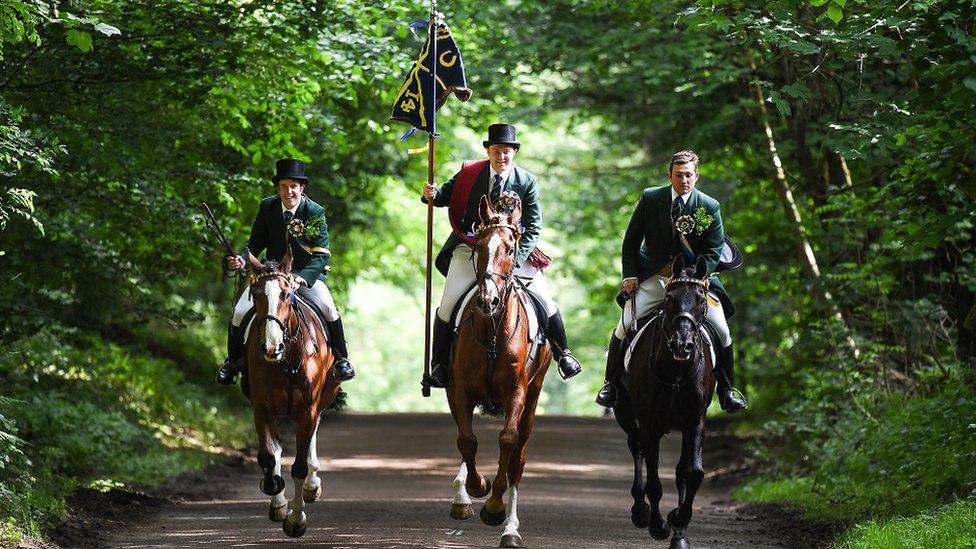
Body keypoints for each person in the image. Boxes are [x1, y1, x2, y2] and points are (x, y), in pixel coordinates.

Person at [421, 123, 582, 387]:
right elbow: (442, 197)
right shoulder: (469, 173)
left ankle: (563, 354)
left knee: (545, 300)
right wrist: (431, 194)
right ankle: (438, 365)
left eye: (507, 152)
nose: (502, 157)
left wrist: (514, 261)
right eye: (496, 151)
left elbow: (534, 226)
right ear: (488, 151)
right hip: (471, 246)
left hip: (511, 253)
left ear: (514, 153)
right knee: (449, 303)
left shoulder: (527, 182)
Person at [595, 150, 747, 413]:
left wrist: (700, 275)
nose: (684, 180)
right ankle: (610, 385)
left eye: (689, 175)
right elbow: (631, 240)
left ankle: (726, 390)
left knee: (722, 330)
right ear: (670, 176)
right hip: (656, 277)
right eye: (679, 175)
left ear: (696, 176)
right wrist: (630, 275)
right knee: (623, 327)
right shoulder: (650, 198)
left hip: (694, 284)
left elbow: (713, 251)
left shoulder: (710, 206)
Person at [215, 158, 355, 385]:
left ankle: (342, 359)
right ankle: (232, 363)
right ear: (278, 188)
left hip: (305, 275)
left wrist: (301, 279)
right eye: (283, 186)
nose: (288, 191)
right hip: (272, 274)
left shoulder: (315, 211)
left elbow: (321, 256)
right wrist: (239, 261)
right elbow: (254, 244)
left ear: (301, 188)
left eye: (293, 186)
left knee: (329, 308)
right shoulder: (267, 207)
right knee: (240, 311)